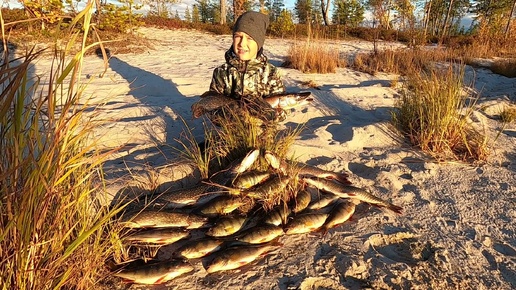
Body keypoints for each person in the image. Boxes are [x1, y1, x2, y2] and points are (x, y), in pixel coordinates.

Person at [207, 11, 286, 123]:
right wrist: (225, 114)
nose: (242, 44)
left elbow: (282, 114)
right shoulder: (221, 72)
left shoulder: (271, 72)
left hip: (264, 136)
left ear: (259, 43)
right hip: (231, 135)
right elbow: (212, 111)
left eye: (249, 38)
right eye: (238, 36)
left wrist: (272, 114)